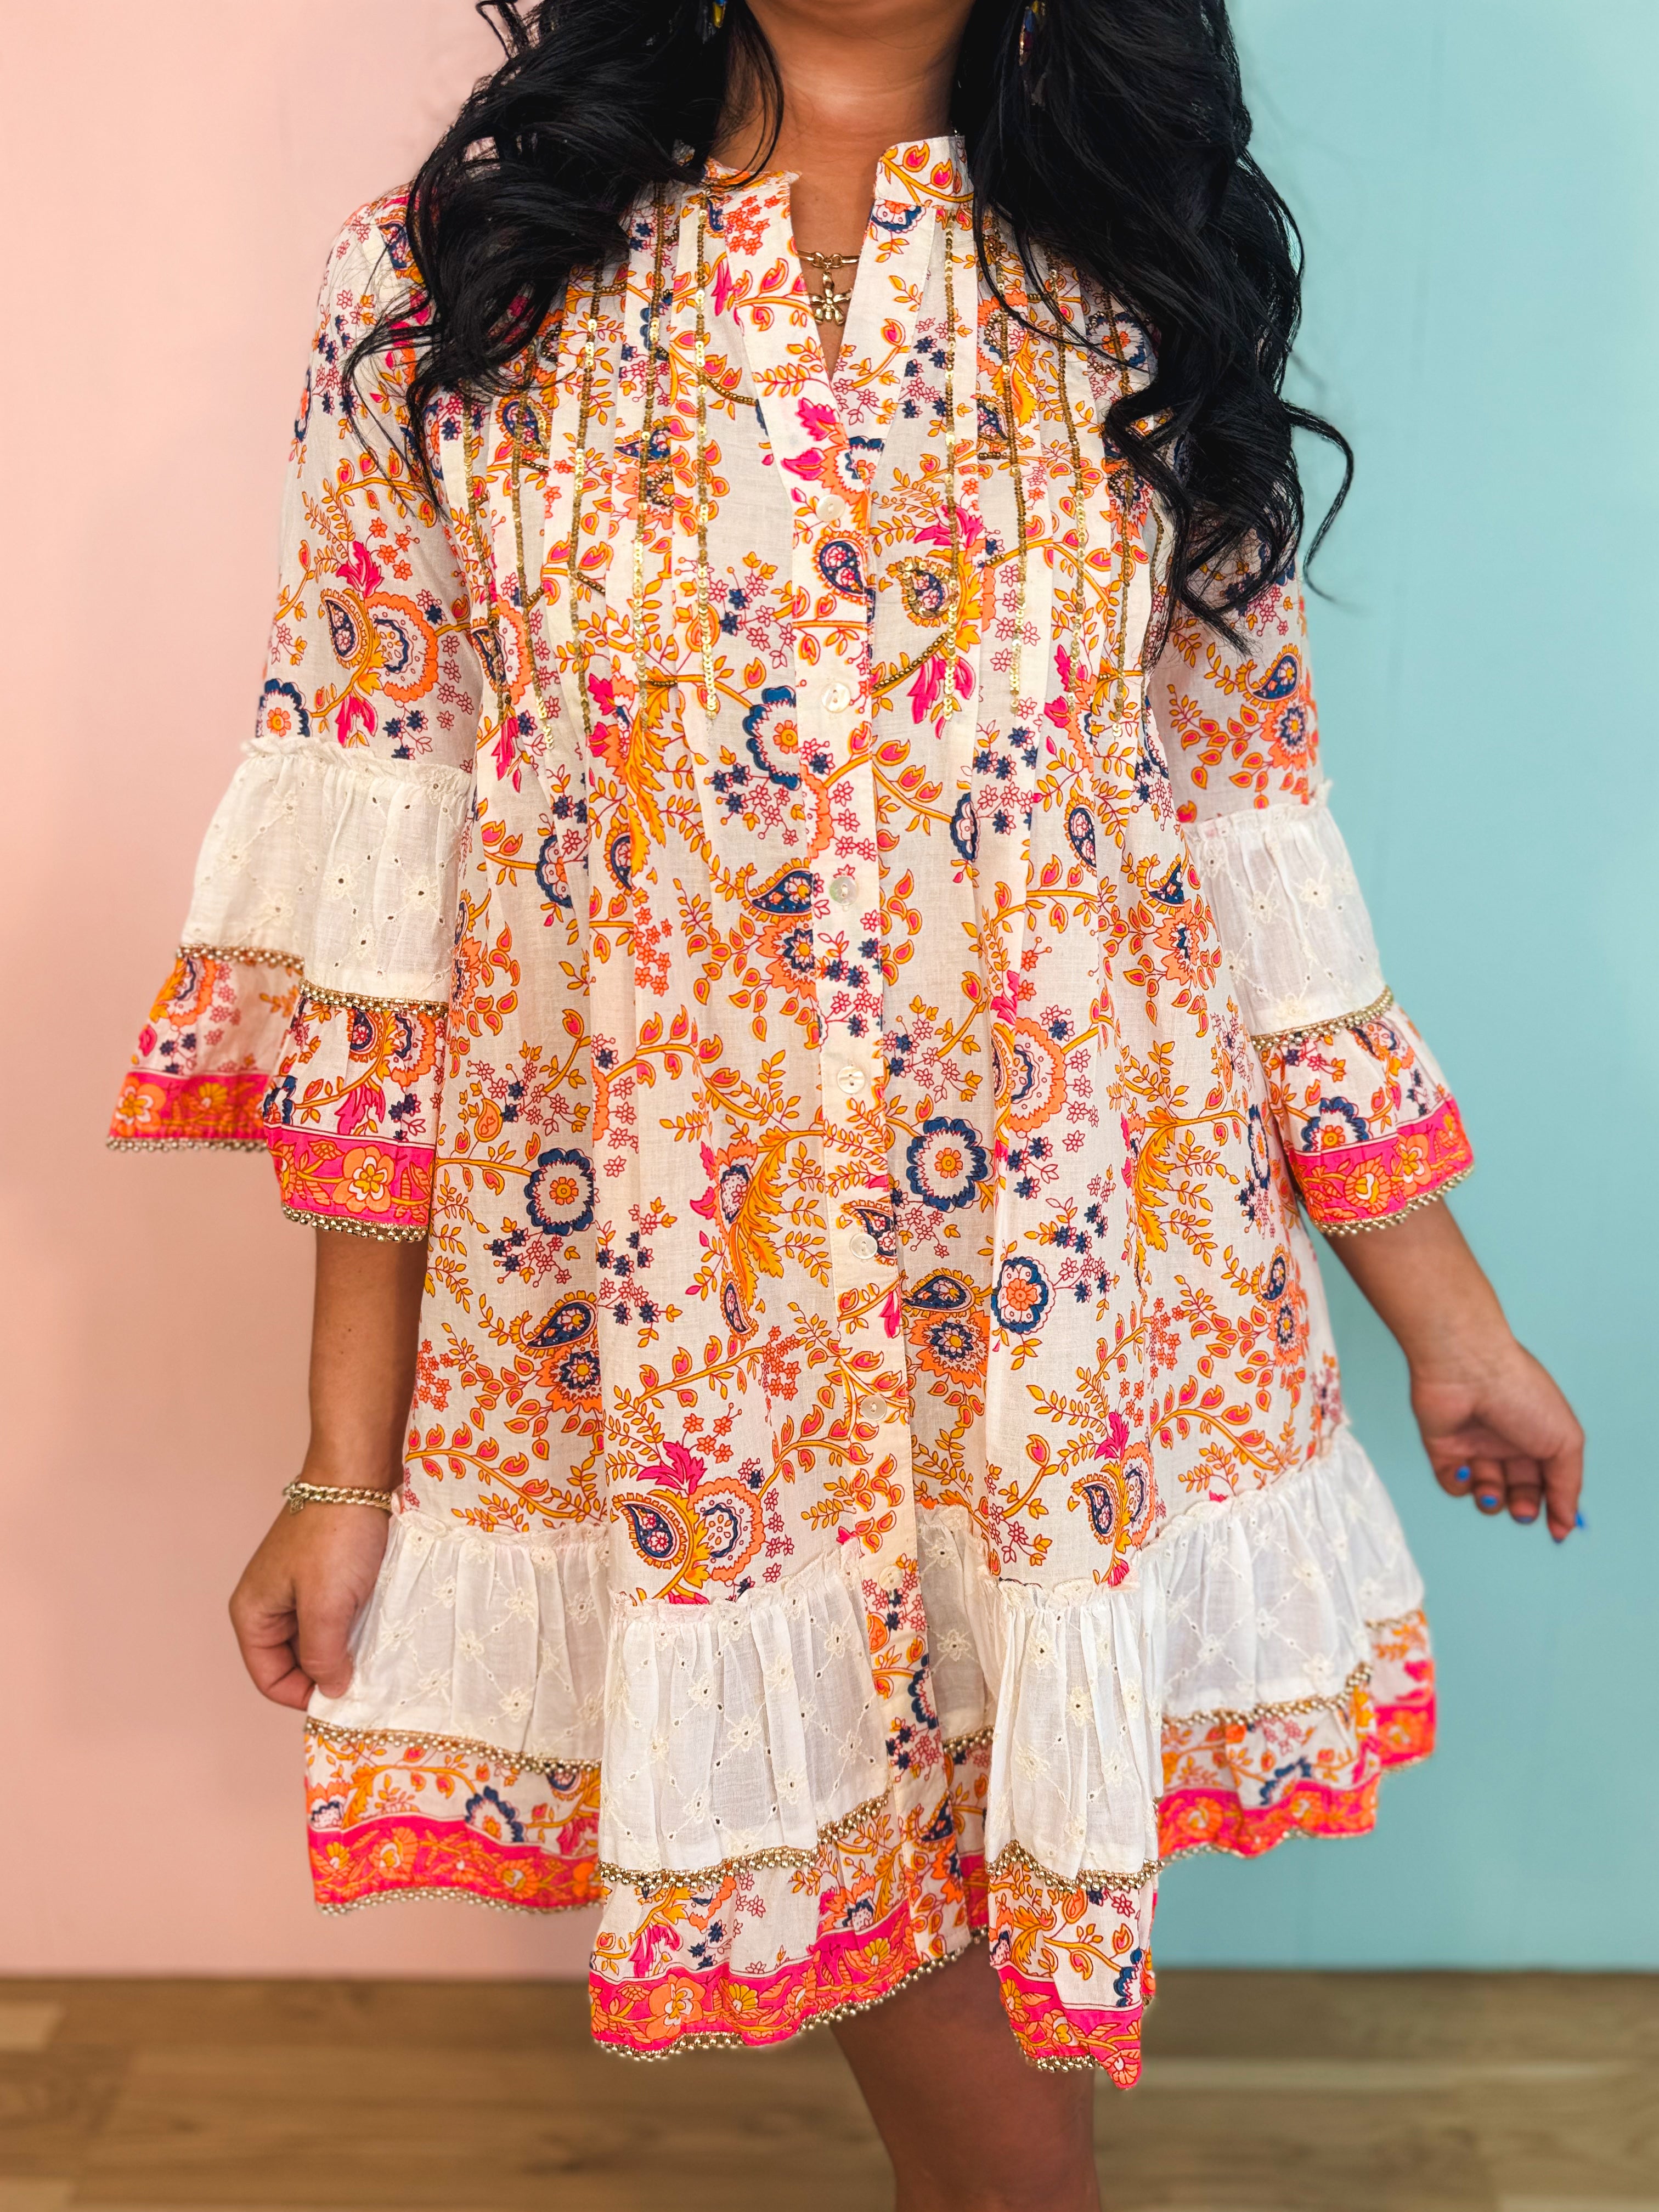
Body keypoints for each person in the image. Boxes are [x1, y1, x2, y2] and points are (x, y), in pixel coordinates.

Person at [110, 1, 1583, 2204]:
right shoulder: (454, 282)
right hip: (682, 1319)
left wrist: (1445, 1323)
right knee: (988, 2107)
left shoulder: (1133, 269)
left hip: (1071, 1301)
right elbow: (387, 878)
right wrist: (347, 1461)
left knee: (1003, 2055)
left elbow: (1238, 830)